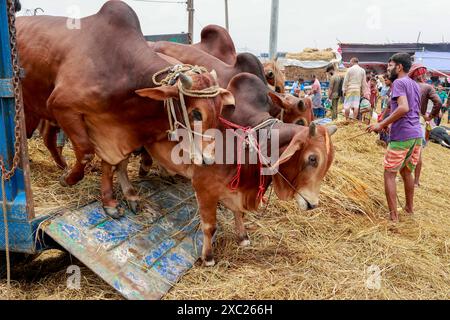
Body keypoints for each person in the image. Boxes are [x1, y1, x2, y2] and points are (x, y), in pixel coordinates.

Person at [367, 53, 423, 222]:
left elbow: (404, 107)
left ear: (399, 67)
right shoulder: (414, 84)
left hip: (403, 135)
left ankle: (393, 217)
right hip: (416, 135)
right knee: (406, 172)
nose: (388, 68)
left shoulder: (398, 82)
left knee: (389, 173)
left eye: (390, 66)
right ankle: (409, 209)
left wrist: (381, 124)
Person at [408, 63, 442, 188]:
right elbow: (438, 102)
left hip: (405, 120)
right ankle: (416, 181)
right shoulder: (427, 87)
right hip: (419, 120)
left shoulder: (406, 85)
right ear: (421, 74)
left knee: (406, 149)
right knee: (418, 151)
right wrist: (430, 117)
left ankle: (405, 176)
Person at [343, 57, 369, 121]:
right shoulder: (362, 70)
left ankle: (347, 119)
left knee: (347, 105)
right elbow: (364, 82)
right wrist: (364, 91)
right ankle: (354, 120)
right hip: (357, 89)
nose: (350, 63)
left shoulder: (349, 69)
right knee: (356, 105)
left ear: (352, 61)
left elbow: (345, 81)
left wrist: (344, 89)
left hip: (350, 89)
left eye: (350, 62)